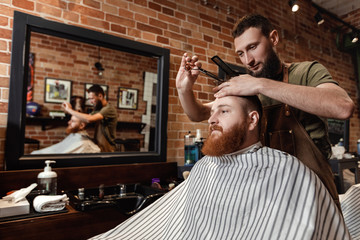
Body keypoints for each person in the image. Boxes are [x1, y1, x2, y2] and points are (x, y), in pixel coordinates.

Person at [90, 95, 350, 240]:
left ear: (252, 120)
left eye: (223, 111)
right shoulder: (205, 166)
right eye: (213, 112)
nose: (212, 119)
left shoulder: (287, 171)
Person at [176, 13, 354, 208]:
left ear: (273, 38)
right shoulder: (247, 89)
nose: (248, 60)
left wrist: (260, 85)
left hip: (316, 198)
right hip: (273, 198)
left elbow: (343, 107)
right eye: (241, 53)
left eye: (252, 47)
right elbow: (199, 114)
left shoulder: (306, 72)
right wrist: (183, 89)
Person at [62, 84, 117, 152]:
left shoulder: (109, 109)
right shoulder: (98, 109)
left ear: (100, 96)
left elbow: (89, 119)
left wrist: (70, 110)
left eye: (92, 98)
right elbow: (86, 118)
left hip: (108, 148)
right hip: (99, 145)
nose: (91, 102)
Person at [31, 115, 100, 154]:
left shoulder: (84, 143)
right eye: (70, 120)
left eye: (72, 121)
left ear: (81, 125)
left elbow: (96, 150)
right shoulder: (74, 135)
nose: (68, 122)